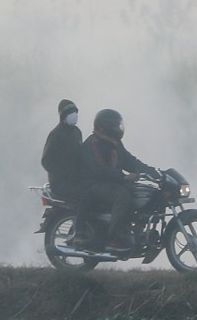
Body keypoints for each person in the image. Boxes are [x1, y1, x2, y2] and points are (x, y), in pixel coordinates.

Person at [79, 108, 157, 253]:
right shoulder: (93, 143)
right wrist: (123, 177)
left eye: (118, 125)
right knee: (122, 195)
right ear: (105, 126)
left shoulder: (114, 143)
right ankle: (113, 238)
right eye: (114, 126)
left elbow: (131, 161)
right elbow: (99, 169)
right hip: (93, 185)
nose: (117, 128)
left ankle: (133, 228)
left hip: (110, 183)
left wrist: (154, 172)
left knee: (138, 191)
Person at [41, 99, 89, 245]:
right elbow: (46, 160)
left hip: (76, 181)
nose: (74, 115)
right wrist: (65, 175)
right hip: (61, 184)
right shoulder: (56, 134)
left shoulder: (76, 132)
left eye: (75, 112)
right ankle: (80, 232)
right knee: (87, 197)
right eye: (70, 113)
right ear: (63, 115)